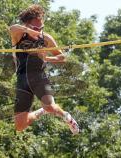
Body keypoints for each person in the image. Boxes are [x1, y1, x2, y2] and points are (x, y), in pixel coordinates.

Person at [9, 4, 80, 134]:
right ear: (27, 25)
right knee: (20, 126)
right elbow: (12, 28)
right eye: (36, 28)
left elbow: (61, 57)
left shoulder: (45, 38)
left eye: (41, 27)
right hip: (22, 79)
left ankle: (66, 117)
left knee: (50, 106)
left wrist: (46, 58)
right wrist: (30, 31)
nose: (39, 30)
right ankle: (42, 111)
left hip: (39, 77)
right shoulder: (19, 36)